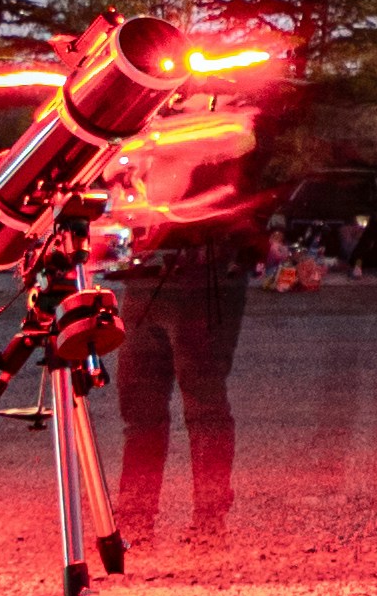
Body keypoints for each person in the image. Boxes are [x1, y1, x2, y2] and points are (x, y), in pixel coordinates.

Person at [114, 210, 268, 544]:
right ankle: (136, 520)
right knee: (140, 404)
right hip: (148, 275)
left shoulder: (213, 162)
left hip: (204, 274)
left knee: (202, 401)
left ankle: (208, 520)